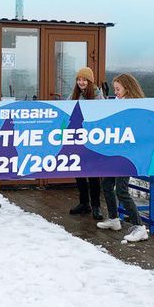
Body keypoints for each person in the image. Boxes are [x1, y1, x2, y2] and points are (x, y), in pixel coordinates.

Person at [97, 73, 149, 242]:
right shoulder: (118, 104)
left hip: (128, 154)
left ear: (127, 88)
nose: (116, 92)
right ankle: (114, 218)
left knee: (121, 190)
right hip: (116, 152)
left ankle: (139, 226)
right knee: (106, 183)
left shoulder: (135, 106)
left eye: (118, 89)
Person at [67, 67, 105, 220]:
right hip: (77, 138)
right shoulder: (74, 95)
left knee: (93, 173)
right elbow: (66, 109)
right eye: (79, 79)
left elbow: (101, 116)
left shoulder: (97, 96)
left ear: (90, 81)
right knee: (79, 172)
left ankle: (96, 206)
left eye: (84, 80)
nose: (81, 82)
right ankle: (84, 203)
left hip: (92, 139)